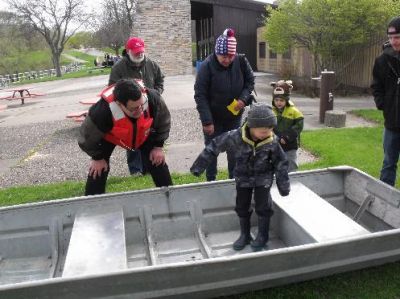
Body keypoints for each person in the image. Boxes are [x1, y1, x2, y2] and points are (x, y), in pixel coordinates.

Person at [190, 103, 290, 251]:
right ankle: (245, 235)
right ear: (251, 126)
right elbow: (214, 147)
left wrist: (283, 185)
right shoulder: (235, 136)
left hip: (263, 178)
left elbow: (281, 163)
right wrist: (199, 166)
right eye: (263, 131)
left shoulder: (273, 141)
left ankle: (263, 235)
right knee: (241, 206)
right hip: (243, 178)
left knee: (263, 206)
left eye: (270, 130)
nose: (268, 133)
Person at [78, 78, 172, 195]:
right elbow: (85, 139)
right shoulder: (102, 111)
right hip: (110, 136)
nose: (140, 110)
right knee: (98, 169)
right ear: (119, 104)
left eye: (141, 105)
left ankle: (170, 197)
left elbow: (164, 121)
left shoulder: (152, 98)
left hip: (143, 132)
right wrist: (97, 158)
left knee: (158, 161)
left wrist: (158, 146)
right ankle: (92, 205)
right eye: (133, 108)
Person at [194, 28, 255, 181]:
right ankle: (211, 180)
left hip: (233, 117)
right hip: (213, 118)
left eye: (230, 56)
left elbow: (250, 82)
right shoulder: (206, 66)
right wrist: (207, 121)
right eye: (223, 56)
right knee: (212, 150)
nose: (227, 60)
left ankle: (233, 180)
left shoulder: (241, 61)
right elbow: (200, 95)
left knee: (234, 150)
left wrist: (242, 99)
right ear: (216, 52)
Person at [109, 37, 165, 176]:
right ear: (128, 52)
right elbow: (112, 88)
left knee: (149, 136)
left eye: (141, 51)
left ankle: (149, 167)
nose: (139, 54)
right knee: (133, 138)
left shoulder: (151, 64)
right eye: (136, 52)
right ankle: (135, 169)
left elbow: (160, 80)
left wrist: (155, 94)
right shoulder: (118, 68)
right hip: (130, 110)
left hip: (149, 107)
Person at [371, 16, 400, 186]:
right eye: (390, 37)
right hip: (391, 124)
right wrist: (383, 104)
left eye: (397, 37)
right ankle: (384, 200)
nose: (393, 41)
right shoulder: (382, 60)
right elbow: (376, 86)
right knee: (388, 163)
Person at [271, 80, 304, 172]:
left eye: (281, 100)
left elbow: (298, 126)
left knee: (291, 164)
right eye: (276, 100)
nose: (279, 103)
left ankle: (293, 180)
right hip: (276, 143)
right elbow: (270, 126)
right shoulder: (272, 112)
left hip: (290, 144)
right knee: (277, 164)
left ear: (287, 100)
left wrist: (287, 136)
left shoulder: (294, 112)